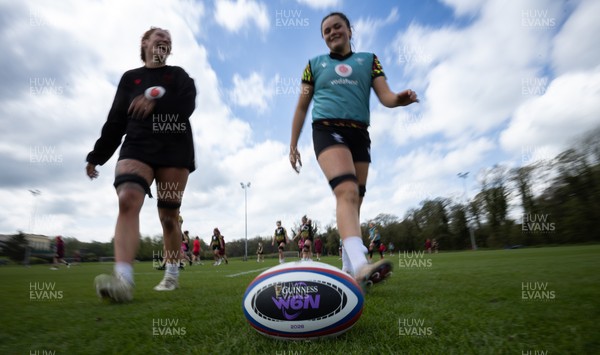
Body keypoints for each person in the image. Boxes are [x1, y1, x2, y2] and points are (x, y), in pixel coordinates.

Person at [289, 12, 418, 288]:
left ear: (349, 29)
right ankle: (361, 265)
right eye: (326, 30)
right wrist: (292, 144)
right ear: (323, 37)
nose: (332, 32)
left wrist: (399, 100)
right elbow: (301, 106)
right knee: (345, 191)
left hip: (359, 133)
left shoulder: (369, 60)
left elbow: (386, 96)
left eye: (337, 27)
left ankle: (348, 268)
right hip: (326, 129)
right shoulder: (314, 65)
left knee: (356, 199)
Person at [87, 27, 197, 302]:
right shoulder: (130, 79)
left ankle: (171, 274)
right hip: (138, 145)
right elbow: (115, 121)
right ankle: (123, 281)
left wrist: (154, 101)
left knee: (169, 218)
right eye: (159, 35)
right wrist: (97, 156)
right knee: (127, 198)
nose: (165, 40)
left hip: (174, 148)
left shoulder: (179, 76)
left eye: (169, 39)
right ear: (145, 42)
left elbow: (187, 103)